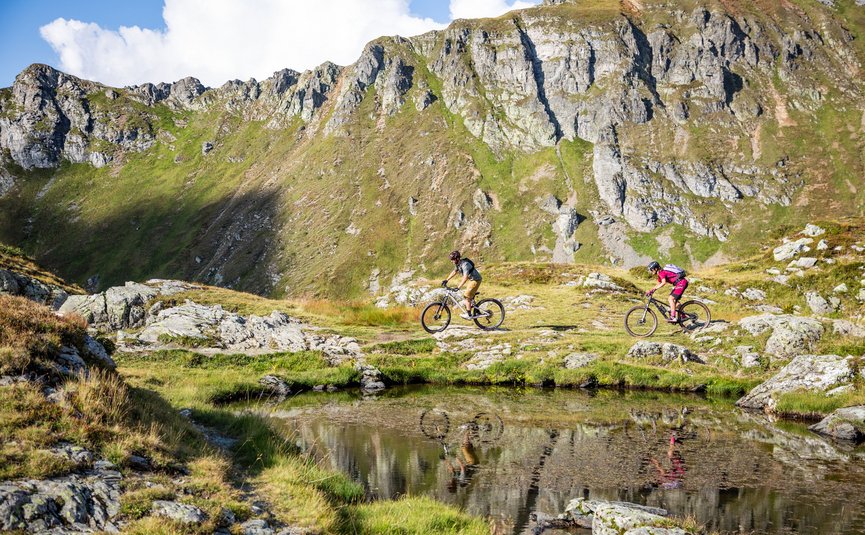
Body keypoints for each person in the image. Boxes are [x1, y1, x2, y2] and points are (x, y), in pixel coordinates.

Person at [442, 250, 482, 320]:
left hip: (476, 280)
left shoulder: (465, 264)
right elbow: (454, 271)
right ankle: (477, 311)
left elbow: (465, 277)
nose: (451, 261)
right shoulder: (458, 264)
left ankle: (469, 315)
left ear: (457, 259)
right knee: (469, 296)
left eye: (453, 260)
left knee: (467, 296)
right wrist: (446, 280)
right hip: (472, 280)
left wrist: (458, 287)